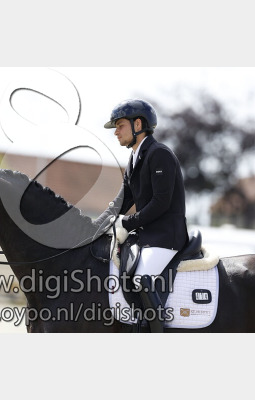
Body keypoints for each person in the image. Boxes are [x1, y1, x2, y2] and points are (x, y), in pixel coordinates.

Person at [104, 99, 189, 332]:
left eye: (120, 126)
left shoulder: (159, 154)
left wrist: (127, 223)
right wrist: (95, 225)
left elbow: (160, 203)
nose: (116, 132)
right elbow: (122, 202)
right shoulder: (134, 159)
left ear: (138, 125)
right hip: (147, 236)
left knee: (142, 277)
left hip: (166, 237)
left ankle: (155, 332)